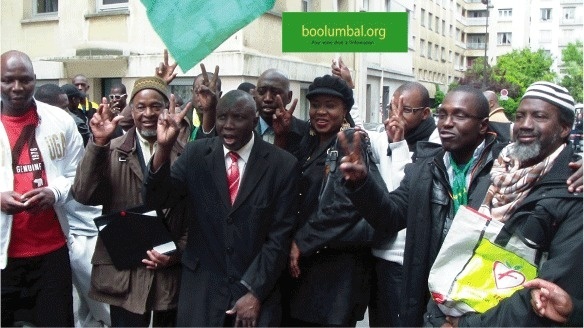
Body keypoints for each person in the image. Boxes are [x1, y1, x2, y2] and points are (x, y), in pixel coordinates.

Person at [340, 83, 583, 326]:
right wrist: (362, 185)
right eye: (443, 114)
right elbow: (390, 218)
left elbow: (547, 294)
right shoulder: (491, 173)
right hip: (438, 311)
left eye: (460, 115)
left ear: (483, 126)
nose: (446, 123)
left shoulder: (562, 185)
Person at [144, 90, 299, 326]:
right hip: (202, 294)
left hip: (256, 295)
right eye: (222, 117)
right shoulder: (196, 154)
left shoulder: (282, 165)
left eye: (237, 118)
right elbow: (158, 199)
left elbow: (278, 239)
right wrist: (163, 148)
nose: (227, 125)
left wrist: (255, 292)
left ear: (255, 121)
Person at [71, 77, 190, 327]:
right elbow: (83, 194)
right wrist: (98, 145)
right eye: (141, 107)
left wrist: (177, 253)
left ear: (166, 109)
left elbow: (196, 214)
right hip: (124, 276)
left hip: (169, 274)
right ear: (131, 110)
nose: (148, 114)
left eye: (156, 106)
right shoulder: (111, 149)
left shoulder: (187, 154)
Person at [283, 74, 381, 327]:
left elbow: (346, 206)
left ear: (345, 110)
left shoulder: (352, 146)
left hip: (337, 275)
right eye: (315, 105)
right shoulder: (309, 143)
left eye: (330, 105)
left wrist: (301, 242)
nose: (320, 112)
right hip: (305, 271)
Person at [1, 50, 81, 327]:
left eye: (25, 80)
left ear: (35, 80)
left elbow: (76, 173)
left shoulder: (60, 121)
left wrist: (54, 192)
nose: (17, 88)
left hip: (51, 253)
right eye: (8, 80)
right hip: (4, 259)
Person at [33, 83, 110, 326]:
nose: (68, 114)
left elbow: (78, 178)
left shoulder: (71, 131)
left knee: (95, 308)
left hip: (86, 232)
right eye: (63, 108)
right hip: (69, 238)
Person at [366, 82, 440, 328]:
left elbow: (409, 192)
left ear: (425, 113)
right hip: (379, 254)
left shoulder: (436, 142)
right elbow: (358, 132)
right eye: (391, 109)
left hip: (406, 261)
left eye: (405, 110)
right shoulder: (387, 134)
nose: (395, 117)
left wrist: (398, 145)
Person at [253, 69, 307, 150]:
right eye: (262, 91)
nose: (267, 98)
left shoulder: (305, 131)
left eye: (275, 92)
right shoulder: (245, 129)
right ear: (255, 95)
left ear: (289, 96)